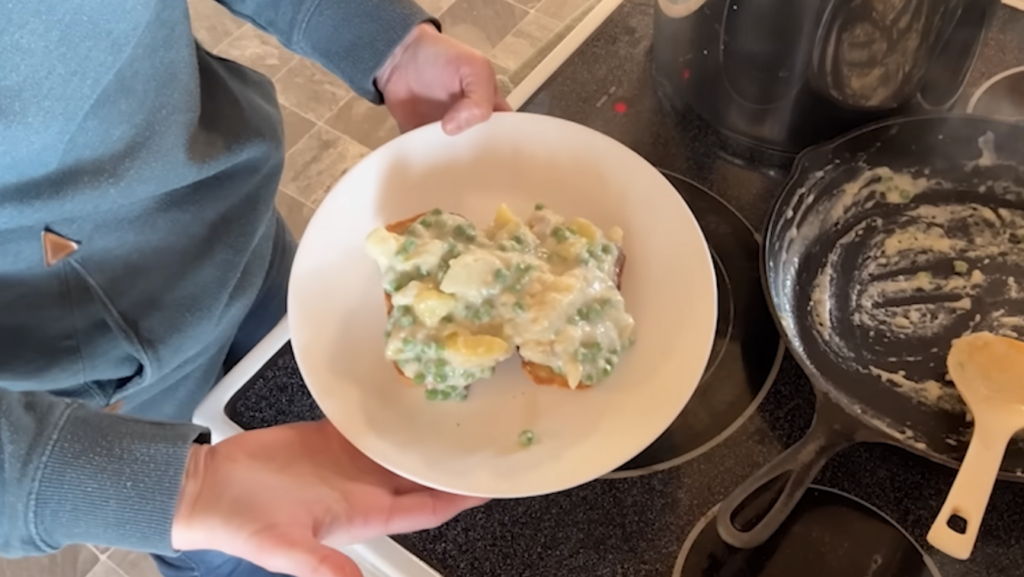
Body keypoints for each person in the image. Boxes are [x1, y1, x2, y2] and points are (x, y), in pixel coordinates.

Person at [0, 1, 510, 576]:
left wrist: (386, 44)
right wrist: (190, 489)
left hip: (241, 239)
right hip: (89, 389)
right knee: (238, 558)